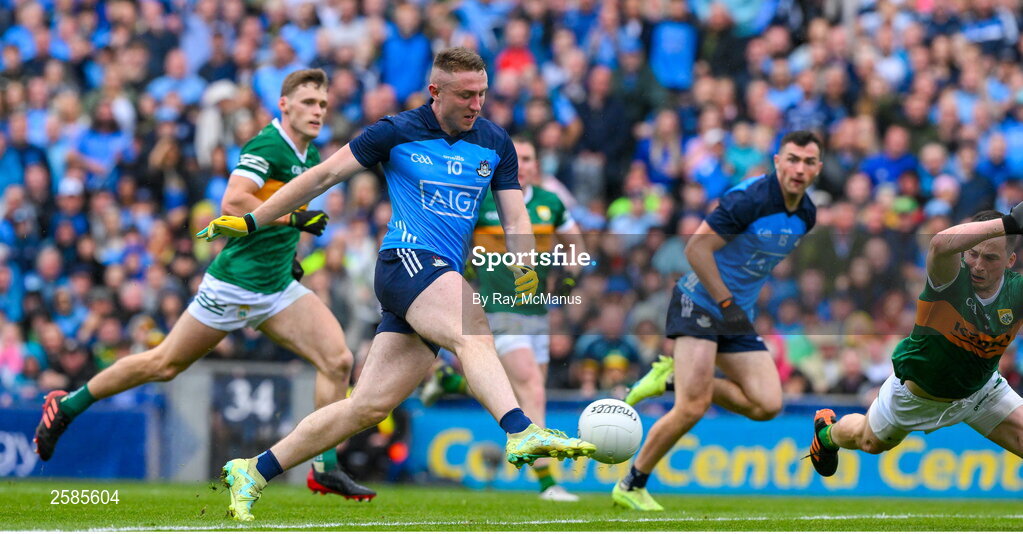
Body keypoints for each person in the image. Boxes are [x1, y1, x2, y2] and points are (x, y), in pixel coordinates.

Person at [198, 47, 595, 522]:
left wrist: (525, 262)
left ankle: (254, 470)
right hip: (405, 261)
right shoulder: (395, 131)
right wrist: (253, 220)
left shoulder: (496, 142)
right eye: (466, 95)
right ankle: (520, 429)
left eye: (483, 94)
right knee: (472, 327)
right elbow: (323, 176)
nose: (476, 104)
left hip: (437, 278)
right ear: (435, 92)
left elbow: (515, 215)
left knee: (365, 407)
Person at [34, 69, 375, 501]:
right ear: (283, 104)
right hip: (232, 287)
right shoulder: (268, 145)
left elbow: (269, 220)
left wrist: (288, 256)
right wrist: (294, 218)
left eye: (323, 104)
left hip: (275, 288)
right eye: (308, 102)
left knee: (337, 359)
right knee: (164, 365)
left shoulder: (306, 154)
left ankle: (323, 467)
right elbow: (232, 203)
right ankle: (67, 407)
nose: (317, 111)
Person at [616, 131, 822, 511]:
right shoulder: (749, 199)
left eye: (809, 162)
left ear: (818, 169)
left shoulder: (807, 215)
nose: (799, 168)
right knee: (692, 407)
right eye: (792, 159)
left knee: (767, 403)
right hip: (701, 303)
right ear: (777, 161)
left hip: (736, 314)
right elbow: (696, 249)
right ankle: (631, 484)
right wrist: (727, 300)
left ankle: (674, 377)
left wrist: (736, 304)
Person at [419, 136, 587, 502]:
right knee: (533, 387)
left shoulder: (550, 203)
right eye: (518, 158)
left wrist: (571, 276)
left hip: (537, 313)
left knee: (518, 393)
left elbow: (576, 243)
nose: (522, 164)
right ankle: (547, 483)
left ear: (537, 165)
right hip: (496, 308)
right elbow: (453, 241)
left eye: (528, 158)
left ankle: (452, 383)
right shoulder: (485, 203)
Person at [808, 207, 1023, 477]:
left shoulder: (1017, 291)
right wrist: (1011, 222)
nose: (978, 265)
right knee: (868, 441)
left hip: (982, 391)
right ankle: (826, 434)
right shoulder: (950, 278)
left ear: (1010, 260)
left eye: (990, 258)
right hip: (916, 397)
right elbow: (939, 243)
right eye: (972, 254)